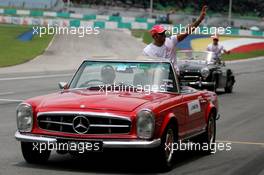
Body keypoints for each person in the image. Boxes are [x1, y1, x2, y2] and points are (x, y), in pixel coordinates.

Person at [143, 6, 207, 67]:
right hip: (159, 76)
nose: (164, 35)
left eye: (164, 32)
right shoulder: (147, 51)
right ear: (155, 36)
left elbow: (187, 31)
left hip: (175, 75)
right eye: (161, 34)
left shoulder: (171, 40)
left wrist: (199, 20)